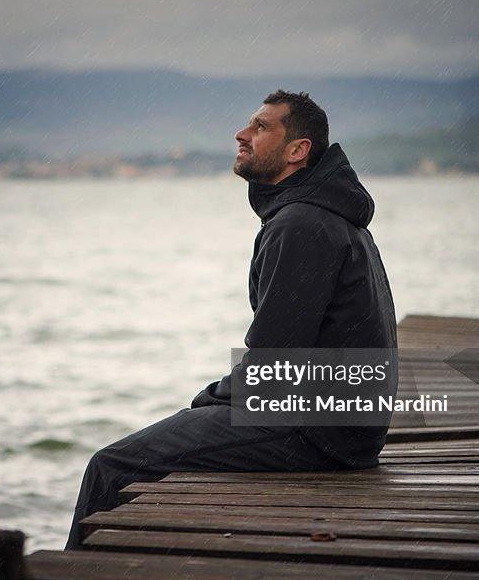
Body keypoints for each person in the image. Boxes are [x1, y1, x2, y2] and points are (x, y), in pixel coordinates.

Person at [65, 90, 397, 550]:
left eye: (262, 127)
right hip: (342, 424)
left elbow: (273, 362)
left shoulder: (301, 225)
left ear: (298, 150)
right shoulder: (325, 217)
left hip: (317, 432)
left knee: (113, 465)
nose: (242, 135)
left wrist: (212, 399)